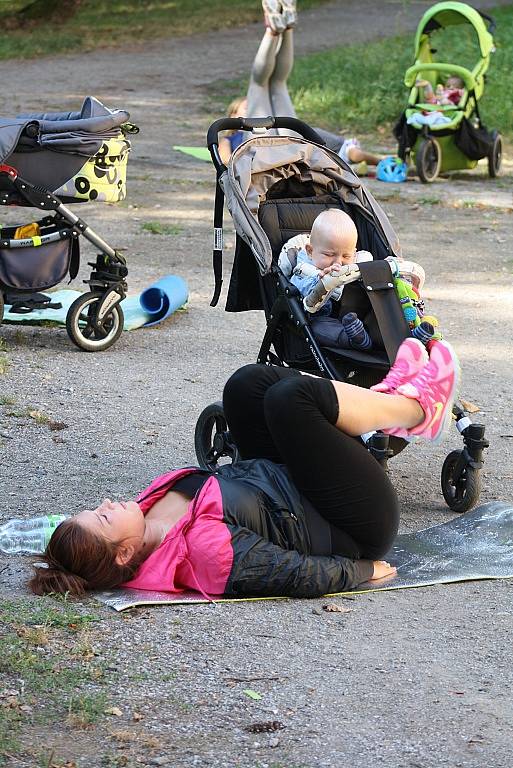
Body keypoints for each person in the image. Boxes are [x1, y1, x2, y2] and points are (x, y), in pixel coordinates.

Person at [29, 337, 459, 600]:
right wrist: (360, 572)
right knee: (289, 401)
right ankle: (416, 409)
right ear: (124, 552)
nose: (107, 502)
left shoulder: (143, 517)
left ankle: (382, 399)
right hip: (350, 522)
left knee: (246, 386)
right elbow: (291, 574)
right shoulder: (206, 556)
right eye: (103, 515)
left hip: (283, 483)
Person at [219, 1, 382, 168]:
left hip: (264, 153)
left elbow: (225, 163)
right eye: (245, 108)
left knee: (267, 85)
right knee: (276, 84)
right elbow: (225, 158)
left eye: (249, 105)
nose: (252, 105)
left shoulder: (231, 138)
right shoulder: (229, 138)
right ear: (233, 118)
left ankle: (276, 30)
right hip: (284, 151)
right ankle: (284, 29)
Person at [280, 209, 373, 351]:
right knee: (319, 329)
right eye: (329, 254)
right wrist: (320, 280)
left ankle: (404, 334)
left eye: (346, 256)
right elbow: (300, 289)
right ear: (310, 251)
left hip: (356, 314)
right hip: (319, 319)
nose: (338, 263)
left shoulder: (356, 263)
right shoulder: (303, 270)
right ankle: (355, 340)